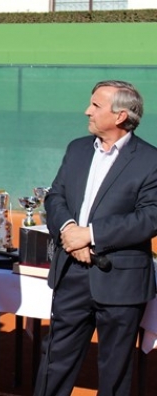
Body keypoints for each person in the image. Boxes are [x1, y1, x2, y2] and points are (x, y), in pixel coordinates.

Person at [34, 80, 157, 395]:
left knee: (115, 368)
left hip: (120, 279)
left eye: (96, 106)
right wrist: (68, 231)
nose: (86, 111)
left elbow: (150, 217)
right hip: (71, 274)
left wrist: (90, 235)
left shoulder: (150, 160)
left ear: (119, 116)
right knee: (55, 361)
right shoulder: (77, 148)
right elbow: (55, 196)